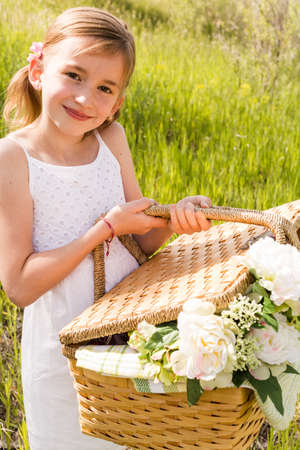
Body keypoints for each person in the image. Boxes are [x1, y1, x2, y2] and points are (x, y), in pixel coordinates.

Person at [0, 7, 211, 450]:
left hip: (130, 333)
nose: (86, 98)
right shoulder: (13, 158)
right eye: (74, 75)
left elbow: (139, 241)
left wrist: (175, 218)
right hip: (64, 352)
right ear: (39, 70)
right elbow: (18, 285)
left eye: (104, 88)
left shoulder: (111, 140)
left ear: (117, 103)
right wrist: (103, 230)